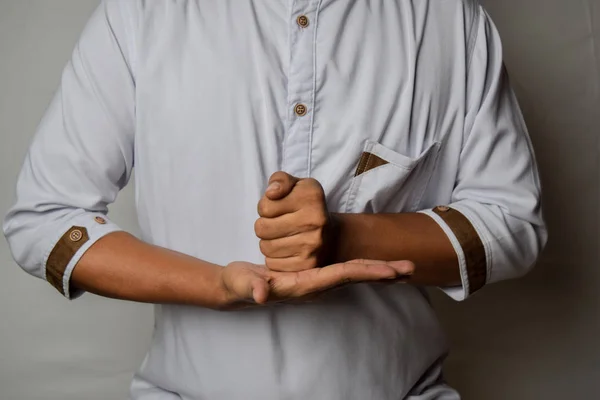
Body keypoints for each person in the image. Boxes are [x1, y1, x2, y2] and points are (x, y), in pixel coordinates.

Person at [3, 0, 547, 399]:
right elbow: (44, 221)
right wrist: (216, 285)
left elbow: (513, 223)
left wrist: (344, 235)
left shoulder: (450, 22)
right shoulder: (141, 16)